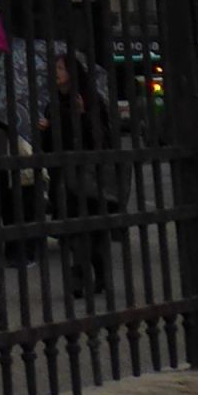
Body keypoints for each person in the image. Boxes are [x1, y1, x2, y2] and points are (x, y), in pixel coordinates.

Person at [37, 52, 123, 298]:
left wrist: (83, 115)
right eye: (56, 68)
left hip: (89, 175)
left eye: (61, 68)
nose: (56, 73)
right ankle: (98, 273)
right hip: (63, 176)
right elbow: (50, 146)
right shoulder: (52, 104)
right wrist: (45, 130)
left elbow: (101, 139)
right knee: (77, 229)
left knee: (87, 229)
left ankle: (79, 275)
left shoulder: (91, 100)